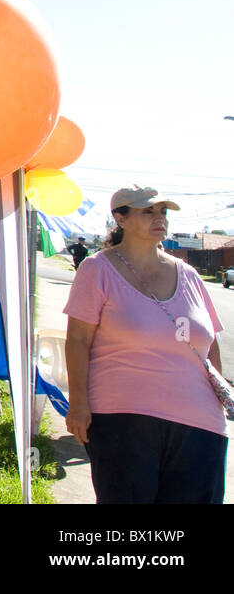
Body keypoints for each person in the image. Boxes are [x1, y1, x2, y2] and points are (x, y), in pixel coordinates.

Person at [64, 186, 227, 503]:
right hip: (123, 418)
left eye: (163, 212)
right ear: (120, 218)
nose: (159, 218)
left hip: (200, 424)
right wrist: (78, 403)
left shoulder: (190, 275)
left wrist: (222, 397)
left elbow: (212, 344)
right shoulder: (97, 269)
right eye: (148, 211)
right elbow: (78, 340)